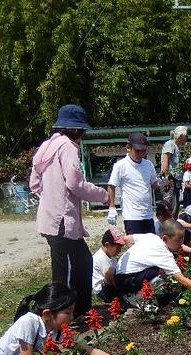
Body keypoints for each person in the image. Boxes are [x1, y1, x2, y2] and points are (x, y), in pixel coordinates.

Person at [30, 104, 110, 317]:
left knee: (82, 261)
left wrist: (49, 197)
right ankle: (58, 314)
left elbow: (34, 184)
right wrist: (103, 195)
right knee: (64, 271)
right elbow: (75, 184)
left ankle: (79, 309)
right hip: (61, 221)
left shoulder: (46, 146)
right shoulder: (67, 148)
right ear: (78, 131)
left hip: (49, 217)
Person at [113, 219, 191, 301]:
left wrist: (135, 255)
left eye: (182, 239)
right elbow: (179, 278)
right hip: (128, 280)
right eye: (178, 240)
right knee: (161, 272)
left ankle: (133, 293)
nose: (181, 243)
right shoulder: (163, 253)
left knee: (158, 269)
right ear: (165, 238)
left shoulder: (151, 237)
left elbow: (127, 239)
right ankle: (136, 298)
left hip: (119, 275)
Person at [107, 132, 163, 235]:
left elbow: (154, 184)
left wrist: (163, 183)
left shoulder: (148, 165)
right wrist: (112, 207)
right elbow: (111, 186)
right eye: (137, 151)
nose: (140, 154)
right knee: (135, 247)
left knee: (150, 245)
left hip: (148, 214)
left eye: (143, 151)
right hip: (132, 216)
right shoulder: (120, 165)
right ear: (128, 147)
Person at [92, 227, 126, 303]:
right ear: (107, 245)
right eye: (118, 248)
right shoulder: (101, 258)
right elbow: (109, 277)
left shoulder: (110, 256)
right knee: (110, 272)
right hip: (102, 291)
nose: (120, 250)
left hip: (108, 286)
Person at [161, 125, 188, 219]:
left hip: (175, 181)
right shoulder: (170, 144)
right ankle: (168, 230)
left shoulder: (176, 146)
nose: (187, 138)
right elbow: (165, 159)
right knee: (170, 207)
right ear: (181, 136)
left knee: (175, 206)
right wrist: (166, 177)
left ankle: (173, 229)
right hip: (170, 180)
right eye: (186, 136)